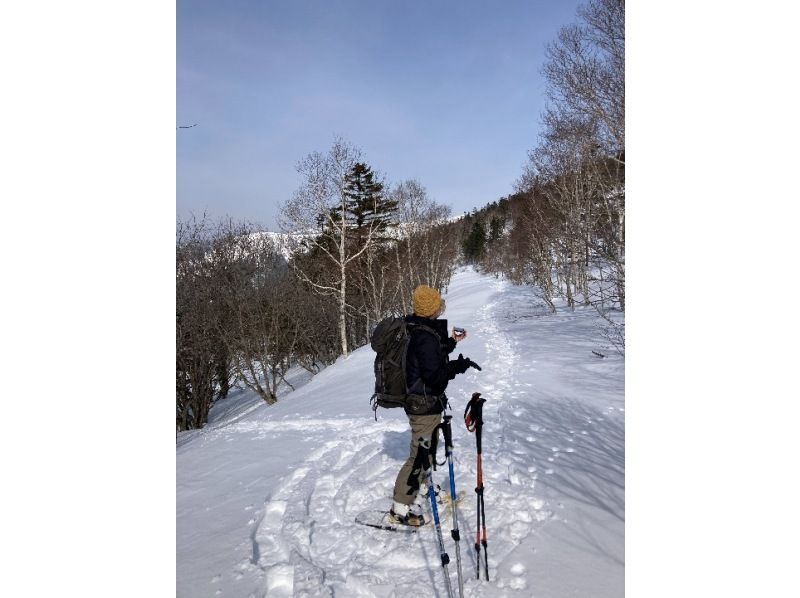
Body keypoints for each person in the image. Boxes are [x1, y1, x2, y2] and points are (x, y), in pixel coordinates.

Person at [390, 284, 474, 526]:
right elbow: (434, 376)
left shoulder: (418, 327)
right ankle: (400, 507)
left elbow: (432, 354)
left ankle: (425, 485)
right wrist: (456, 367)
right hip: (423, 405)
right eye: (438, 304)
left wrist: (452, 342)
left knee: (428, 448)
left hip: (425, 403)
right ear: (432, 308)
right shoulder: (423, 335)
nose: (440, 307)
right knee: (419, 455)